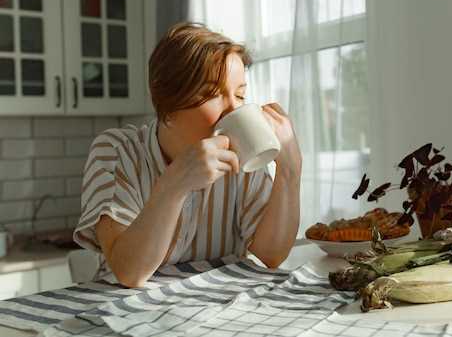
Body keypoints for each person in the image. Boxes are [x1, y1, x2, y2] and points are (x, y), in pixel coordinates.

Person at [73, 23, 302, 287]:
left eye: (240, 94)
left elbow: (271, 254)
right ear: (168, 104)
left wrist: (290, 169)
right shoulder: (115, 151)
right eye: (212, 94)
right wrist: (174, 184)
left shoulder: (242, 150)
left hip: (215, 308)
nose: (233, 109)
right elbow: (129, 272)